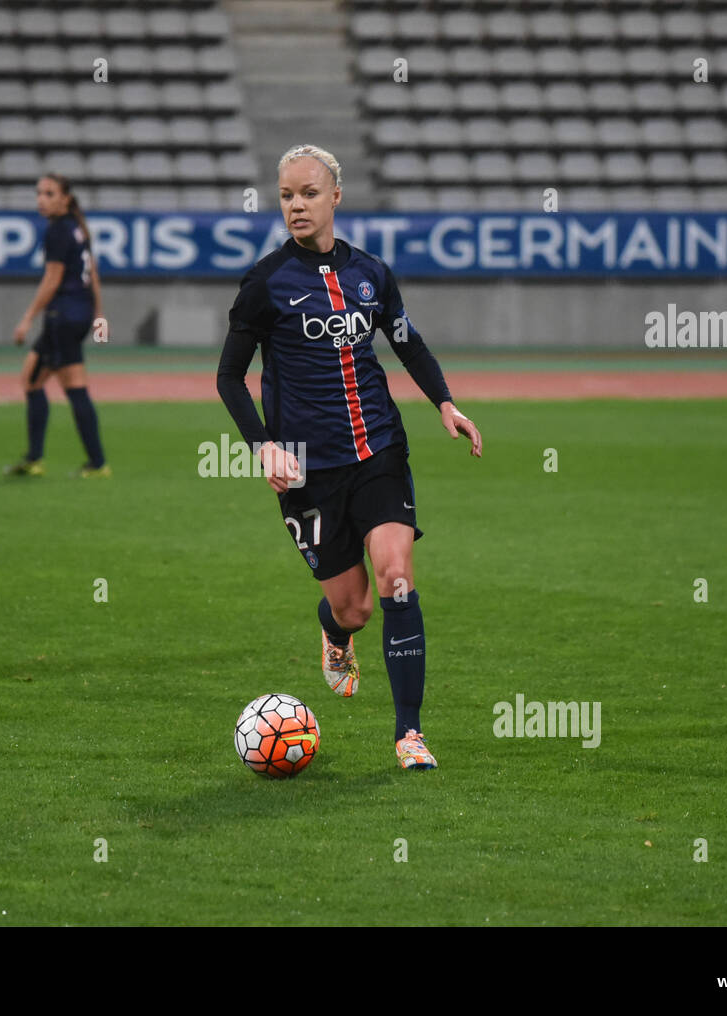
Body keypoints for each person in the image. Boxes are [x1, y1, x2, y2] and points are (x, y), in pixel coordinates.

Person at [217, 144, 483, 770]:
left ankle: (409, 734)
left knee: (396, 579)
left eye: (308, 193)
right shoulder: (264, 282)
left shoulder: (371, 273)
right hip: (306, 472)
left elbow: (408, 344)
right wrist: (264, 448)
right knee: (356, 605)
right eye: (286, 196)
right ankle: (336, 632)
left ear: (336, 196)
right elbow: (230, 378)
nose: (296, 206)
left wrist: (445, 403)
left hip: (378, 450)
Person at [8, 173, 109, 478]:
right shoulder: (77, 228)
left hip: (62, 316)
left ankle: (97, 463)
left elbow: (52, 280)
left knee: (74, 388)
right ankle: (35, 458)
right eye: (39, 193)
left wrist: (26, 318)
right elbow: (92, 275)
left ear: (65, 198)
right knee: (32, 379)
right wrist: (99, 313)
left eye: (49, 193)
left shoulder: (58, 231)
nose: (42, 199)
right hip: (76, 314)